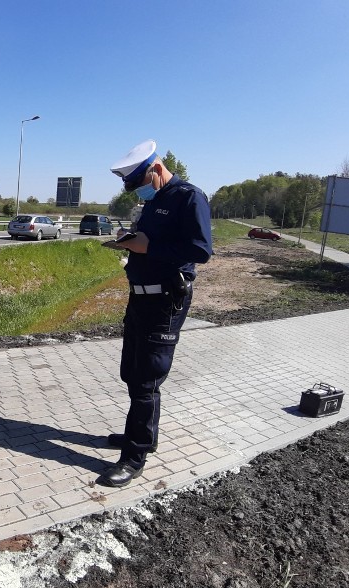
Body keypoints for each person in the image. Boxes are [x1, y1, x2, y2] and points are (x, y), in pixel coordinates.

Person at [98, 139, 213, 488]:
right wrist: (129, 239)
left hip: (166, 300)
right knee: (131, 371)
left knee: (147, 377)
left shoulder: (188, 197)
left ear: (157, 170)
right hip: (140, 298)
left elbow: (201, 249)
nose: (139, 193)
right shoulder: (156, 201)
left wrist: (148, 246)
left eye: (141, 184)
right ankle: (144, 435)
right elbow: (148, 239)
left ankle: (134, 457)